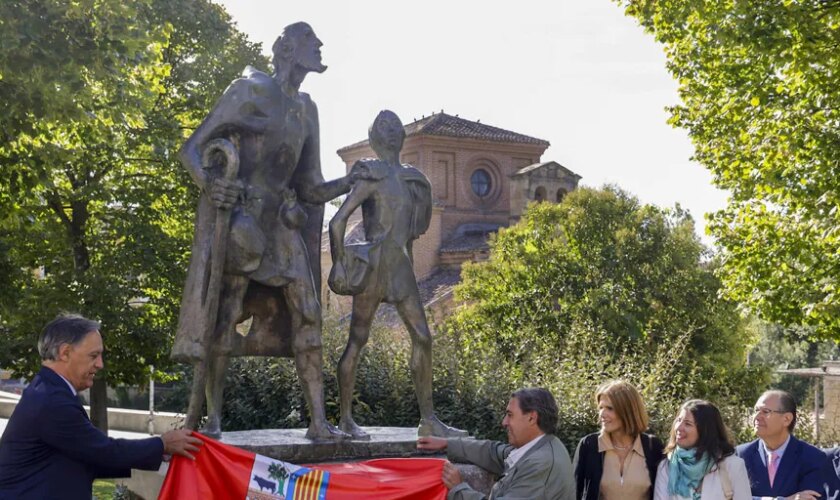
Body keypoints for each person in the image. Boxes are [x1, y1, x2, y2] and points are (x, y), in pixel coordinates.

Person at [172, 22, 359, 440]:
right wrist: (210, 182)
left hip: (283, 227)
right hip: (242, 220)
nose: (321, 44)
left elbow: (310, 186)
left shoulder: (307, 109)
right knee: (226, 316)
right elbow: (192, 149)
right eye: (312, 40)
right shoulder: (249, 90)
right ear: (290, 49)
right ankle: (214, 419)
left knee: (309, 312)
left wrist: (351, 183)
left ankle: (318, 422)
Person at [328, 110, 463, 439]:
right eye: (383, 128)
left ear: (402, 136)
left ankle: (428, 418)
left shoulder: (412, 178)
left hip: (400, 268)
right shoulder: (370, 174)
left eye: (395, 128)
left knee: (424, 338)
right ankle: (345, 419)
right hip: (374, 266)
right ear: (374, 136)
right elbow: (337, 222)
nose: (390, 133)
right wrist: (341, 263)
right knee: (357, 340)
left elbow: (415, 232)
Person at [0, 314, 202, 499]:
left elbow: (84, 456)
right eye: (93, 355)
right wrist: (162, 444)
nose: (100, 364)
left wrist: (159, 452)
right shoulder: (53, 401)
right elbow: (103, 450)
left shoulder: (47, 390)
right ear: (65, 352)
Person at [416, 388, 575, 500]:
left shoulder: (540, 464)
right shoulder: (541, 446)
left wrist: (459, 489)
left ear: (532, 418)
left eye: (510, 415)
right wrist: (447, 444)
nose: (504, 422)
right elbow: (493, 452)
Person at [573, 380, 664, 500]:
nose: (602, 414)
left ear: (628, 411)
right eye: (601, 407)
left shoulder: (653, 447)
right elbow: (575, 492)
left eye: (610, 408)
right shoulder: (589, 445)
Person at [736, 390, 828, 500]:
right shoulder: (741, 455)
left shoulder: (812, 458)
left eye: (765, 411)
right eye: (756, 410)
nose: (757, 416)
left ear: (787, 419)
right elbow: (730, 496)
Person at [654, 399, 751, 499]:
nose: (678, 427)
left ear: (705, 431)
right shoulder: (667, 466)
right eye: (678, 420)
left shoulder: (732, 466)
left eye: (687, 424)